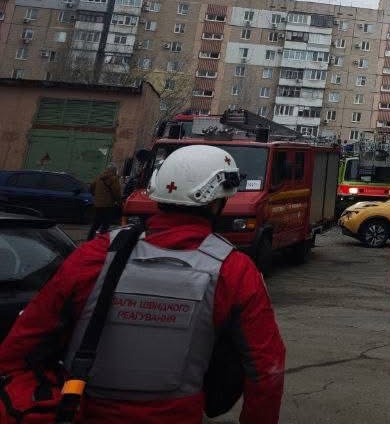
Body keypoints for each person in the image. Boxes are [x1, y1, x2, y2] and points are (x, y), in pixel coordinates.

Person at [0, 144, 286, 424]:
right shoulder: (234, 270)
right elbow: (266, 369)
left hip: (83, 411)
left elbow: (19, 348)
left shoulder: (96, 254)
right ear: (216, 202)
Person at [85, 163, 123, 240]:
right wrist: (119, 202)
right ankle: (101, 240)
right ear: (114, 170)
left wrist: (96, 196)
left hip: (97, 205)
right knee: (105, 225)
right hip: (107, 206)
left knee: (95, 224)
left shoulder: (99, 178)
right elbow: (116, 193)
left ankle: (89, 239)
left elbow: (91, 187)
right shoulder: (114, 179)